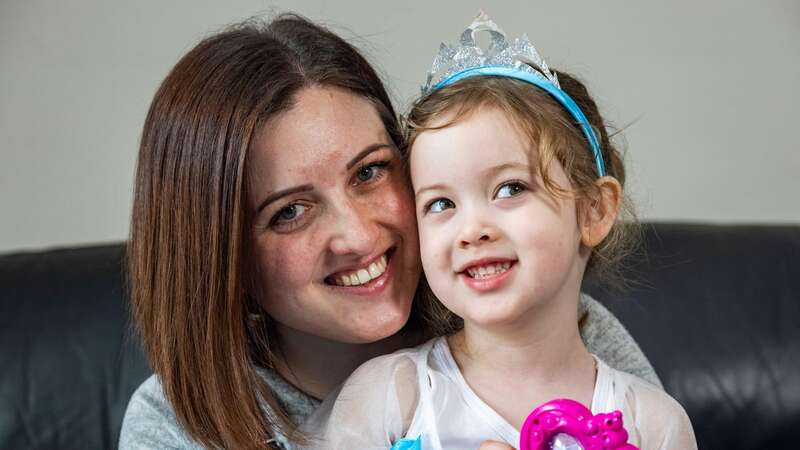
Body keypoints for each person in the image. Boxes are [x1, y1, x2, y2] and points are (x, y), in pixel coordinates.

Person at [119, 13, 661, 450]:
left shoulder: (558, 334)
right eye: (289, 211)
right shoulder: (174, 426)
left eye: (369, 171)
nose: (356, 235)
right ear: (222, 257)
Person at [298, 13, 697, 450]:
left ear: (593, 211)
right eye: (441, 204)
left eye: (510, 189)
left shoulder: (653, 423)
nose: (472, 230)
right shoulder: (389, 397)